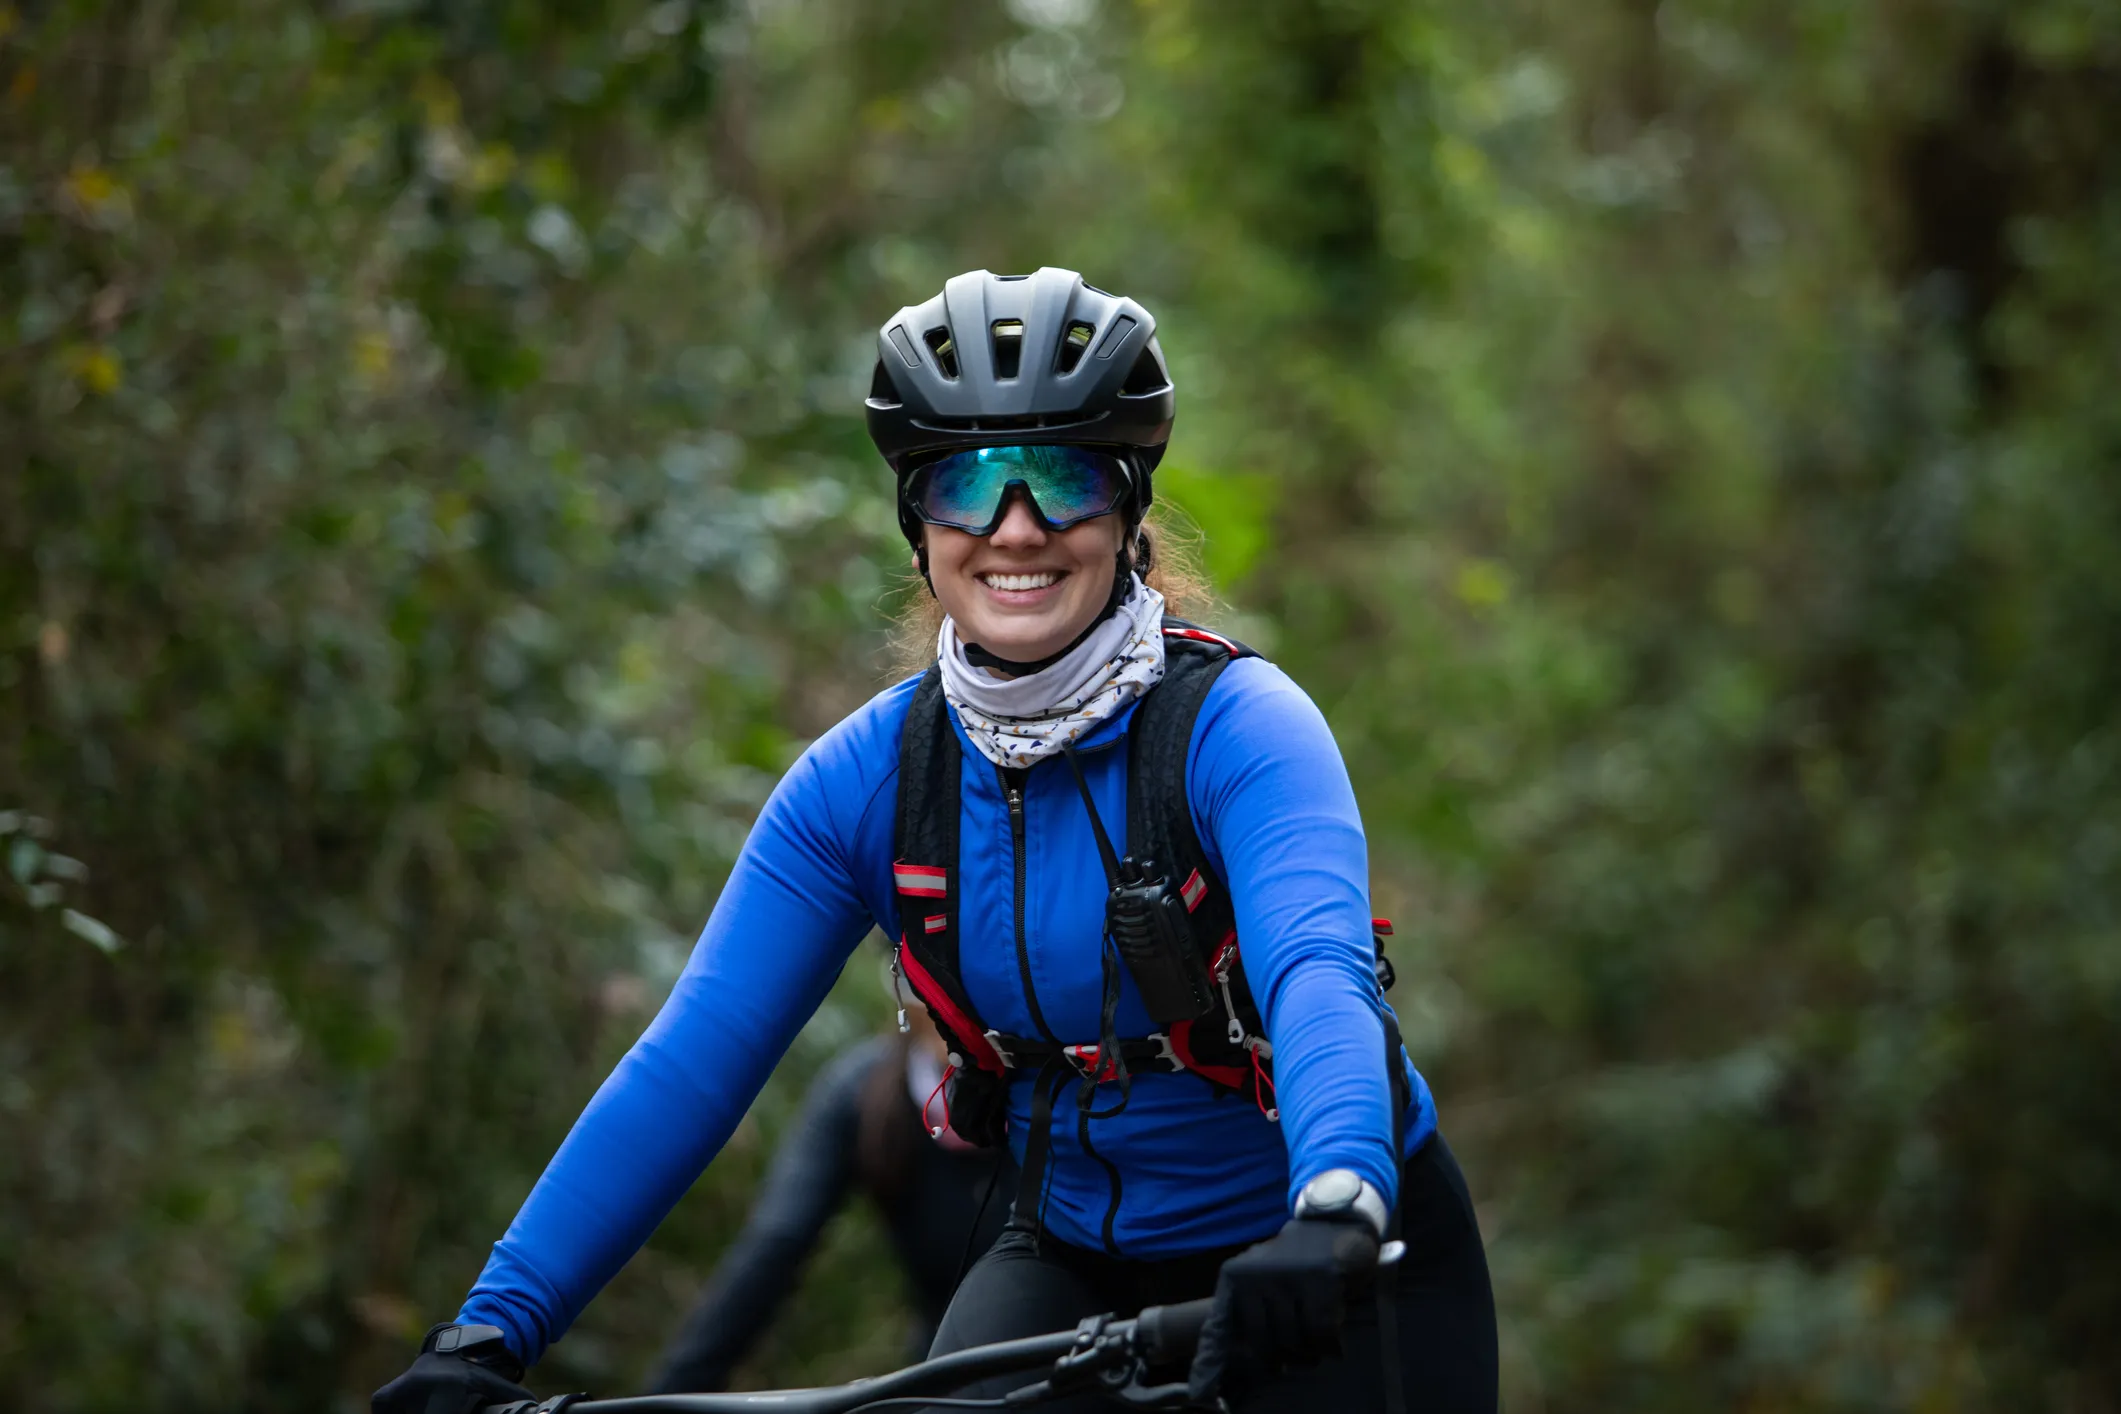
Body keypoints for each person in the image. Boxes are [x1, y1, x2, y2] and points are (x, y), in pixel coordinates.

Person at [372, 267, 1498, 1414]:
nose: (1017, 527)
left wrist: (1336, 1204)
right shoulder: (865, 784)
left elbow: (1318, 976)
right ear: (919, 525)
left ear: (1127, 508)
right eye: (967, 484)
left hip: (1326, 1255)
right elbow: (692, 1060)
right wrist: (488, 1333)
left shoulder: (1239, 728)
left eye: (1063, 479)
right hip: (1067, 1258)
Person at [645, 995, 1014, 1392]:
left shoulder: (1053, 1087)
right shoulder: (865, 1092)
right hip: (945, 1374)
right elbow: (775, 1246)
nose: (961, 998)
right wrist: (669, 1396)